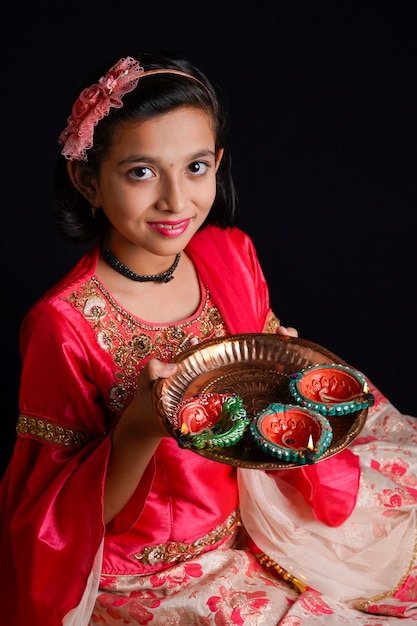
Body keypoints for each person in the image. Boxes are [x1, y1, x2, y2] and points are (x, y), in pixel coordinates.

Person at [0, 52, 416, 626]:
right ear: (87, 180)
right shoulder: (65, 323)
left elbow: (259, 383)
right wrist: (140, 427)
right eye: (141, 172)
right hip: (151, 571)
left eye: (195, 167)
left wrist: (282, 377)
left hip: (257, 510)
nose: (176, 201)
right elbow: (59, 519)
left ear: (217, 164)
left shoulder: (228, 252)